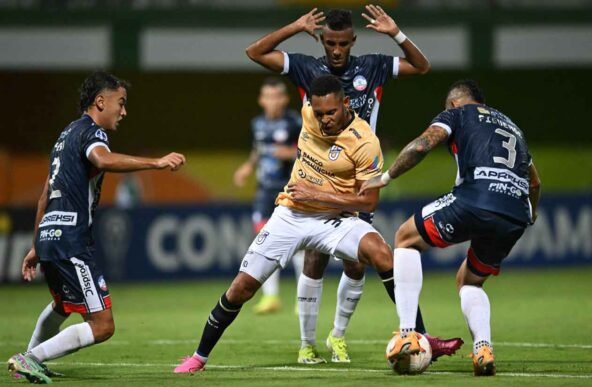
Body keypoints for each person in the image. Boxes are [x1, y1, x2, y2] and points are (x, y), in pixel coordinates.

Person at [246, 6, 461, 363]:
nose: (335, 50)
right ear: (323, 40)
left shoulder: (373, 66)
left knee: (356, 264)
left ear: (352, 41)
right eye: (330, 42)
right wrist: (296, 26)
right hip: (317, 175)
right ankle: (306, 344)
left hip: (360, 178)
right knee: (314, 259)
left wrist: (396, 33)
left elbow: (422, 66)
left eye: (342, 43)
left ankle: (338, 337)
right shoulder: (305, 66)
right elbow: (255, 52)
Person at [174, 75, 418, 374]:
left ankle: (415, 333)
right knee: (241, 288)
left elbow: (368, 203)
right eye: (319, 114)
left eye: (331, 112)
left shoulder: (365, 142)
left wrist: (316, 193)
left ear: (345, 103)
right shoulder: (305, 113)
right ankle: (198, 357)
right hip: (290, 215)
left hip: (334, 219)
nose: (325, 120)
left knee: (381, 253)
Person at [7, 71, 186, 384]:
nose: (124, 111)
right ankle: (30, 358)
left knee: (63, 305)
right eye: (121, 103)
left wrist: (37, 244)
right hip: (71, 240)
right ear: (100, 101)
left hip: (51, 234)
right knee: (103, 325)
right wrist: (156, 163)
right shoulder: (92, 133)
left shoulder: (64, 136)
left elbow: (44, 197)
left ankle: (30, 360)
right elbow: (102, 160)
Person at [359, 79, 542, 376]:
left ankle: (408, 333)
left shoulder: (457, 114)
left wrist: (385, 177)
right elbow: (534, 182)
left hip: (476, 198)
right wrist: (530, 214)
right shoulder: (513, 127)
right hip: (514, 214)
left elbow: (423, 144)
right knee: (469, 281)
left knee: (405, 238)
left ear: (454, 103)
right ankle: (483, 347)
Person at [233, 77, 304, 314]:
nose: (273, 101)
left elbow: (311, 151)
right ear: (261, 100)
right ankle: (271, 297)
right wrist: (247, 167)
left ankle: (302, 298)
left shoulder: (296, 122)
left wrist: (291, 153)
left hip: (290, 190)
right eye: (268, 97)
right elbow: (258, 150)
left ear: (284, 99)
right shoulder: (258, 124)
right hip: (264, 190)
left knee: (297, 244)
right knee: (263, 241)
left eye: (277, 96)